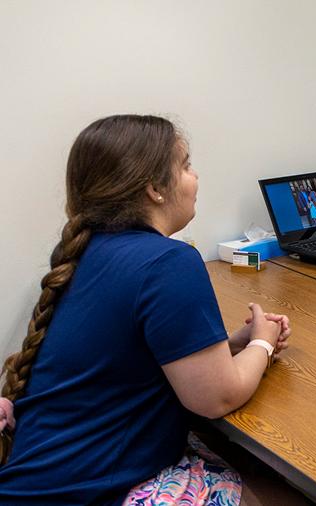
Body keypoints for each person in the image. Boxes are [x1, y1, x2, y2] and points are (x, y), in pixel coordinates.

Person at [0, 115, 291, 505]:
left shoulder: (90, 251)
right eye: (185, 165)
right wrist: (263, 343)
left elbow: (127, 356)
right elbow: (217, 398)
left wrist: (229, 346)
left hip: (40, 479)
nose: (195, 177)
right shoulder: (168, 262)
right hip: (86, 492)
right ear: (155, 188)